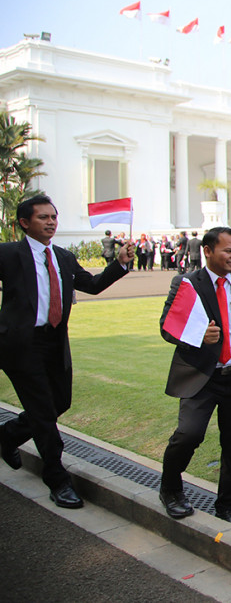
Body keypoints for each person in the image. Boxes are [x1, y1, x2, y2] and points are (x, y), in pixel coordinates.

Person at [0, 196, 133, 509]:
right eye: (43, 217)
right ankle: (57, 480)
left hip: (55, 343)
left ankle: (9, 435)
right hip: (21, 346)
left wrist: (120, 263)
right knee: (43, 414)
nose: (51, 222)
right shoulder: (8, 254)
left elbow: (94, 285)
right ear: (24, 223)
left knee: (60, 402)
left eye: (53, 217)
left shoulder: (63, 256)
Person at [157, 227, 231, 528]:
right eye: (228, 251)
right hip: (201, 376)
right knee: (188, 435)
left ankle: (227, 505)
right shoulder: (186, 284)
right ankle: (170, 489)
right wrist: (198, 336)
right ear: (207, 251)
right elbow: (168, 327)